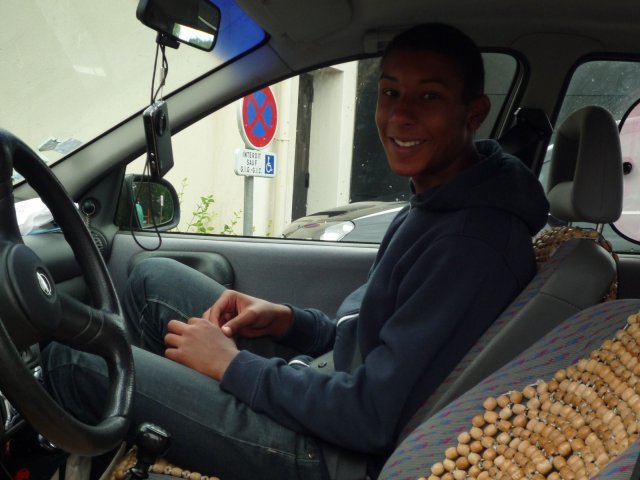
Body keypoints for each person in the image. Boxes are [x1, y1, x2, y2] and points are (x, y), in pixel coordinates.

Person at [43, 23, 549, 480]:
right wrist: (287, 321)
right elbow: (369, 336)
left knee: (74, 360)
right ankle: (154, 419)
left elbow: (370, 418)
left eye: (429, 96)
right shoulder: (440, 200)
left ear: (474, 113)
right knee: (152, 279)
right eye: (390, 92)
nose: (400, 114)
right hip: (324, 387)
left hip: (330, 455)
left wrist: (231, 367)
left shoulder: (470, 245)